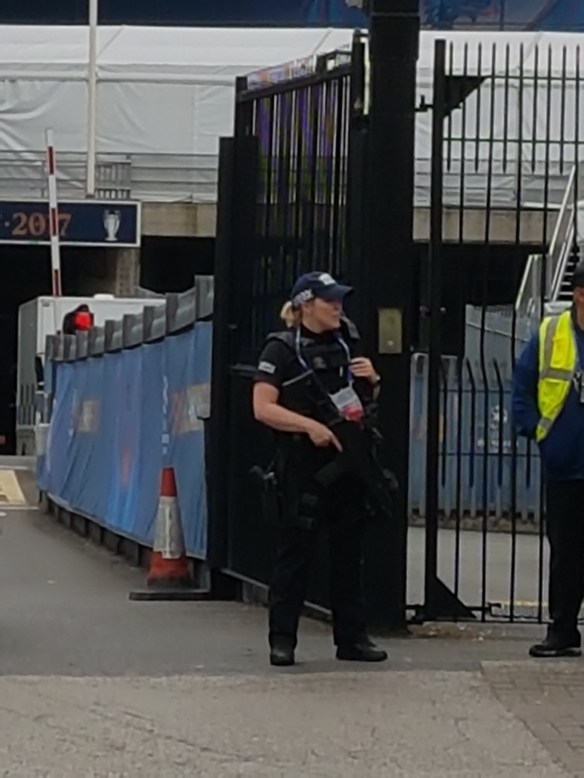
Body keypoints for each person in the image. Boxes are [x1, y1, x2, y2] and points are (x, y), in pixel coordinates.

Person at [252, 271, 389, 667]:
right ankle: (283, 640)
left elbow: (363, 405)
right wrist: (308, 426)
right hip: (302, 466)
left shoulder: (348, 342)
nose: (338, 307)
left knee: (349, 556)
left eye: (339, 300)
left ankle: (352, 639)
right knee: (295, 556)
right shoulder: (280, 349)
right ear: (305, 304)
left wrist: (374, 381)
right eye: (330, 301)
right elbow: (262, 407)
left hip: (347, 462)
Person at [513, 261, 584, 658]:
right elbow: (522, 385)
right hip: (565, 462)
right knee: (566, 553)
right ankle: (562, 629)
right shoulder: (552, 332)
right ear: (579, 294)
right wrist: (536, 431)